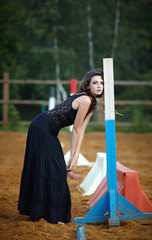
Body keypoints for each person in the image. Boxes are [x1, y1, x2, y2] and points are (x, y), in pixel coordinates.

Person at [18, 68, 104, 224]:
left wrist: (76, 154)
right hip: (42, 127)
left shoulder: (92, 103)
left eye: (102, 83)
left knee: (50, 167)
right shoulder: (85, 100)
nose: (99, 86)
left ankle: (41, 211)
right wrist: (74, 155)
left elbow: (82, 129)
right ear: (88, 85)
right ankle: (52, 215)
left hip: (46, 128)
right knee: (56, 169)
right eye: (95, 83)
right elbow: (76, 129)